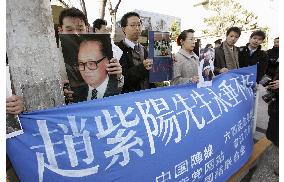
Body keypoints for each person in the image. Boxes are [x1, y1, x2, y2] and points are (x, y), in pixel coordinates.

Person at [57, 8, 123, 102]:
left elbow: (116, 88)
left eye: (80, 29)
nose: (76, 34)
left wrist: (118, 75)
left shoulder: (102, 51)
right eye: (69, 29)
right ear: (60, 30)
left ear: (87, 29)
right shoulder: (53, 58)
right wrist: (60, 93)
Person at [117, 12, 154, 93]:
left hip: (148, 96)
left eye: (139, 25)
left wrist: (165, 61)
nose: (137, 28)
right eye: (132, 25)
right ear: (124, 29)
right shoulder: (118, 50)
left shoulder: (144, 49)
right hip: (131, 99)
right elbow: (122, 79)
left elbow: (152, 75)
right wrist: (142, 67)